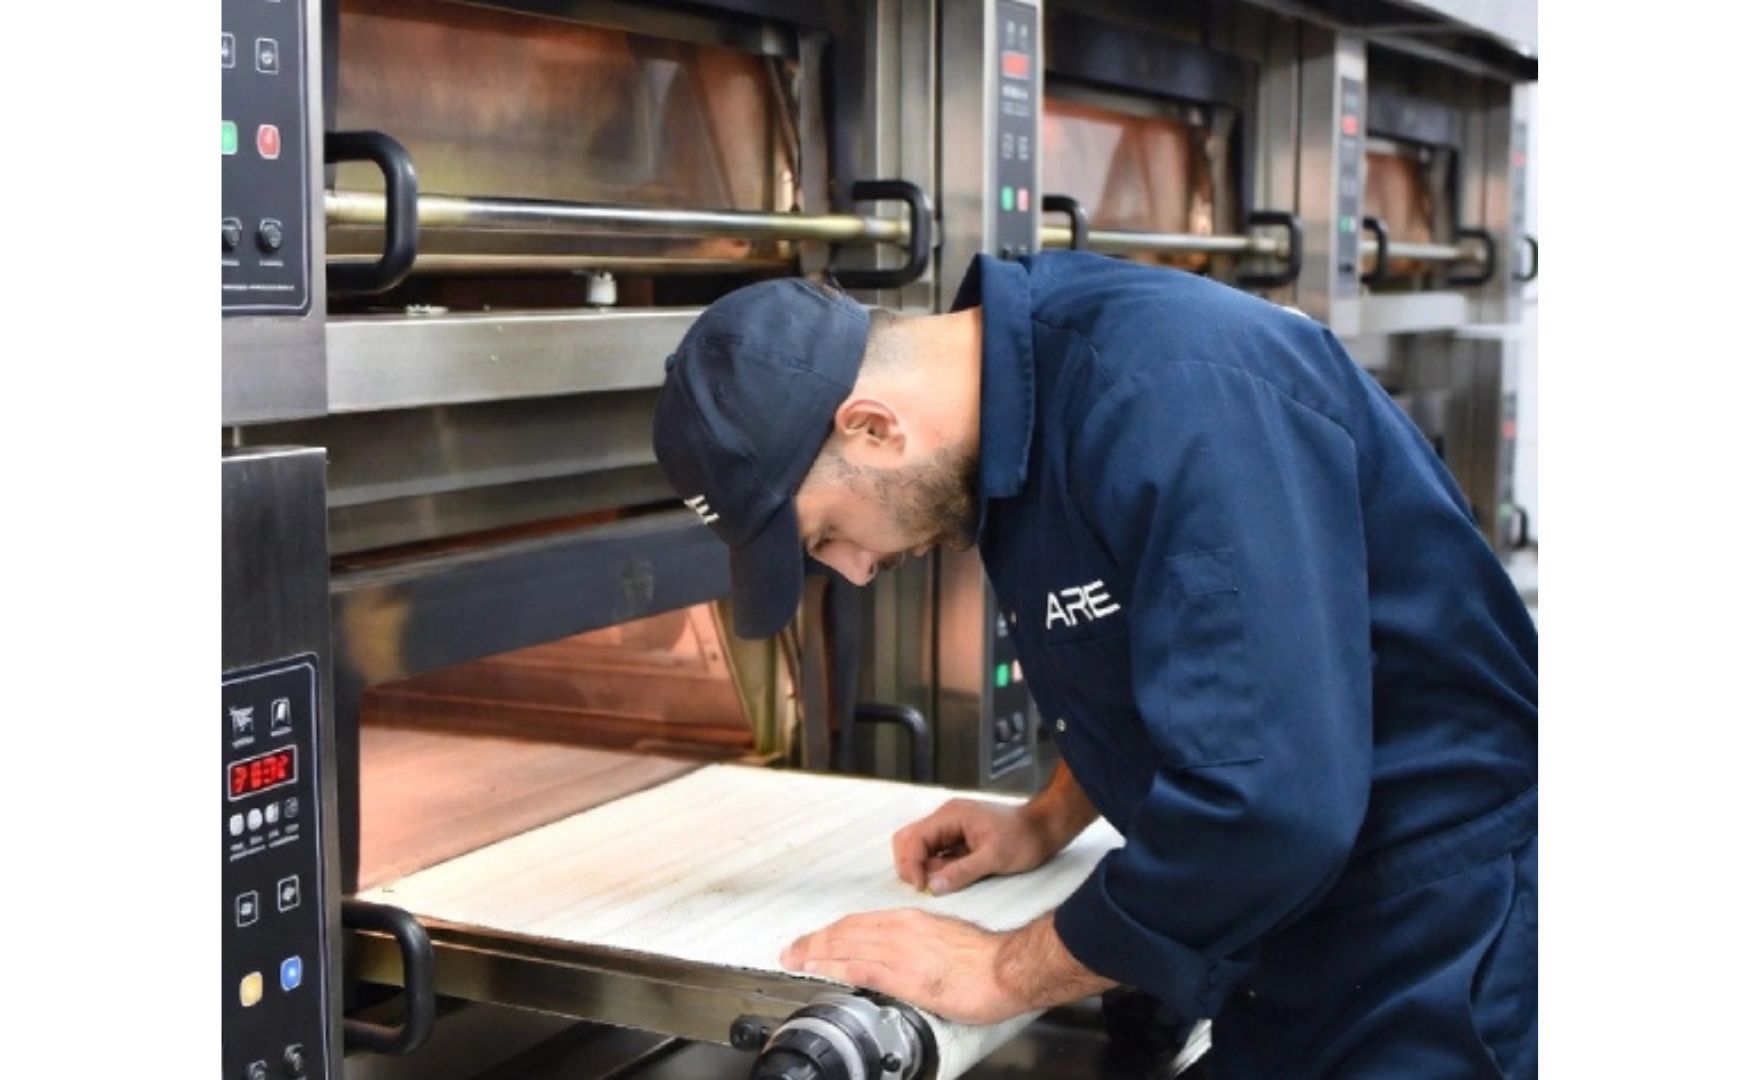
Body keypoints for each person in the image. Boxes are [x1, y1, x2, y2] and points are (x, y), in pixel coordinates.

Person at [651, 251, 1537, 1077]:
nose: (853, 570)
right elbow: (1189, 661)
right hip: (1299, 937)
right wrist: (1048, 817)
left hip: (1440, 948)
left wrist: (1002, 969)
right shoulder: (1014, 421)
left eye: (827, 535)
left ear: (874, 428)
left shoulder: (1171, 401)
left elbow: (1271, 810)